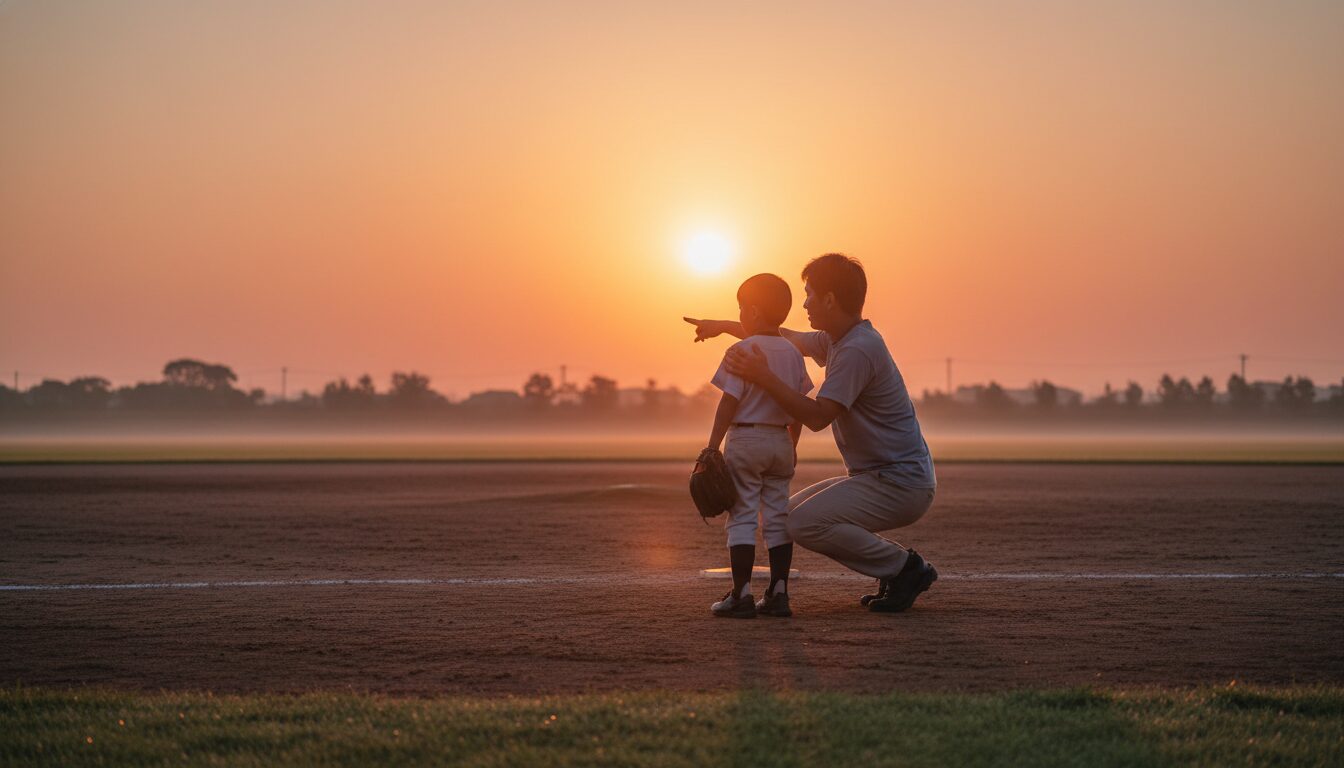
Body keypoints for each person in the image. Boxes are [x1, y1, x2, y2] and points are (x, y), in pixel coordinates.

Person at [684, 253, 937, 612]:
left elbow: (818, 416)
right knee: (788, 515)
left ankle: (903, 568)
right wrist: (724, 325)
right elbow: (777, 336)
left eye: (809, 294)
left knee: (804, 523)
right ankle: (896, 568)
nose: (804, 303)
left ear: (830, 299)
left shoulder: (857, 350)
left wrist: (763, 376)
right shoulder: (838, 338)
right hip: (881, 476)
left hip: (900, 483)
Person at [694, 274, 813, 619]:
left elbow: (728, 404)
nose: (741, 315)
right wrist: (792, 444)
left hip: (746, 439)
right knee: (777, 516)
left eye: (743, 308)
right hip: (780, 439)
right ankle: (779, 593)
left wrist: (712, 447)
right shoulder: (793, 353)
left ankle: (741, 594)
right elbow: (796, 404)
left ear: (755, 312)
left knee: (743, 514)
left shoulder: (741, 350)